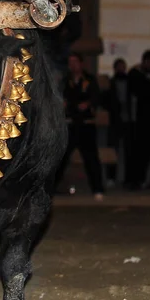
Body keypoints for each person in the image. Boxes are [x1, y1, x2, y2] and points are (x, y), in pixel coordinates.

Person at [55, 52, 104, 200]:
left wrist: (88, 104)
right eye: (70, 62)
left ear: (81, 63)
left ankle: (98, 189)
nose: (73, 65)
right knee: (61, 158)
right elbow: (61, 98)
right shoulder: (65, 80)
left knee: (91, 158)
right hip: (69, 124)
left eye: (75, 61)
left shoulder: (89, 80)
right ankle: (50, 189)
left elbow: (96, 97)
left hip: (86, 125)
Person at [126, 50, 150, 190]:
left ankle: (141, 179)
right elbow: (143, 94)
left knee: (145, 152)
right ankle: (134, 180)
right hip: (137, 120)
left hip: (148, 120)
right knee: (136, 152)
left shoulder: (149, 75)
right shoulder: (136, 75)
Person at [103, 58, 130, 187]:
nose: (122, 69)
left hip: (128, 120)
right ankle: (111, 177)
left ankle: (126, 177)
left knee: (127, 150)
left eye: (123, 66)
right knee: (113, 150)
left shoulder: (129, 82)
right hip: (115, 121)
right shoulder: (111, 84)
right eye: (119, 66)